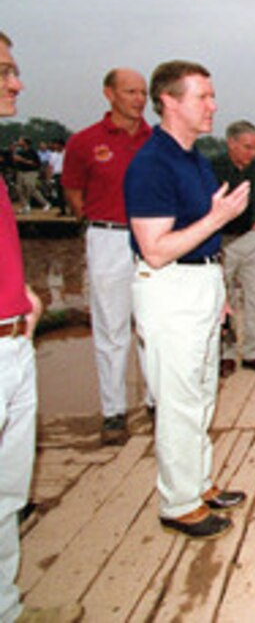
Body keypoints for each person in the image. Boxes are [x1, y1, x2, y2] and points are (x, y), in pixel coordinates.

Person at [124, 59, 250, 539]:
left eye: (212, 96)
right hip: (169, 287)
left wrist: (215, 292)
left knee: (200, 393)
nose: (213, 106)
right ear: (170, 101)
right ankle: (177, 503)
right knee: (176, 399)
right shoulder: (152, 163)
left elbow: (197, 238)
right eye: (203, 97)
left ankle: (197, 484)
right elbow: (155, 249)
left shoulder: (194, 157)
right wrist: (218, 220)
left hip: (197, 282)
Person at [0, 32, 83, 623]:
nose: (18, 83)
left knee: (7, 496)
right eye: (4, 71)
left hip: (12, 337)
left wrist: (22, 292)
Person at [63, 67, 153, 446]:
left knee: (153, 325)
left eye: (143, 93)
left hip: (152, 239)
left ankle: (156, 401)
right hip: (109, 237)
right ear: (109, 94)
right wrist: (102, 221)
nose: (139, 99)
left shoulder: (157, 141)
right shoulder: (86, 142)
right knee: (112, 329)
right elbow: (73, 192)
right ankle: (114, 412)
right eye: (130, 91)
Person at [211, 120, 255, 377]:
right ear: (231, 143)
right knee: (223, 298)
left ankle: (253, 352)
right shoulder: (212, 168)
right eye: (247, 147)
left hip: (252, 238)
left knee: (254, 296)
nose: (252, 153)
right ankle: (226, 354)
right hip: (222, 240)